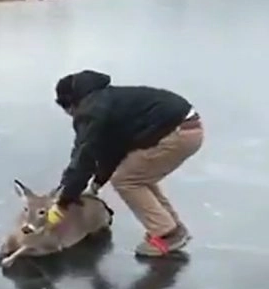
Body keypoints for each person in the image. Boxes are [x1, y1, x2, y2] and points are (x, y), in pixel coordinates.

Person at [45, 70, 204, 257]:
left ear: (71, 103)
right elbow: (112, 152)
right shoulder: (107, 100)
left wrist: (64, 201)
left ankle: (167, 234)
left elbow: (84, 156)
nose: (70, 115)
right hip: (186, 128)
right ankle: (172, 227)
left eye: (67, 110)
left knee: (127, 180)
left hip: (176, 134)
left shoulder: (91, 110)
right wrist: (95, 186)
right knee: (139, 173)